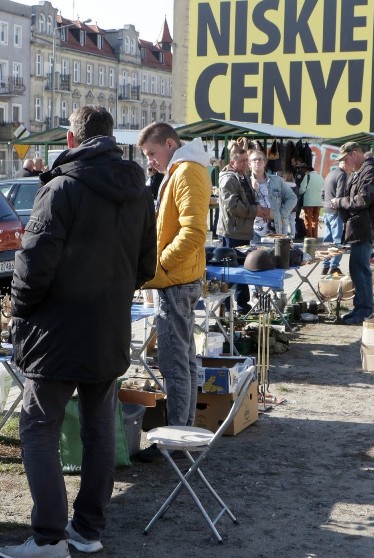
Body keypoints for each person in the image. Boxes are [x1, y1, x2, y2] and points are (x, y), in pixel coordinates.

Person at [0, 106, 156, 558]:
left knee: (39, 427)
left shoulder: (61, 189)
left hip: (57, 329)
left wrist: (20, 311)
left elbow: (32, 266)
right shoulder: (138, 192)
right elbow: (145, 264)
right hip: (106, 325)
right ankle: (87, 530)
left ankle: (49, 537)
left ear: (72, 139)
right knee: (100, 428)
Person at [134, 122, 211, 462]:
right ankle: (183, 434)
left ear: (169, 143)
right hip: (175, 279)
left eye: (152, 153)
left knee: (175, 361)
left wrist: (160, 265)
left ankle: (177, 440)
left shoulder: (186, 172)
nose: (150, 161)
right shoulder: (182, 170)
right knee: (182, 359)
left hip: (176, 281)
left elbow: (194, 232)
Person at [331, 142, 374, 325]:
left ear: (355, 153)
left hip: (364, 227)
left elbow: (362, 200)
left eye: (346, 158)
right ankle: (360, 308)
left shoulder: (370, 171)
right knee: (357, 269)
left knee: (360, 270)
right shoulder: (362, 171)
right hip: (359, 227)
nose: (346, 162)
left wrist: (340, 202)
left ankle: (365, 310)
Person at [217, 141, 264, 313]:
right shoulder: (229, 178)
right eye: (242, 161)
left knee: (242, 271)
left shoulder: (242, 176)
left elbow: (246, 201)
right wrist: (256, 211)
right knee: (230, 273)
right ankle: (226, 309)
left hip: (242, 231)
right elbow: (234, 206)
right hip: (232, 232)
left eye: (247, 160)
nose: (246, 164)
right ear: (232, 162)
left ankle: (242, 306)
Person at [250, 148, 295, 241]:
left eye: (260, 159)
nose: (257, 161)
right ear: (249, 163)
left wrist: (281, 214)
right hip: (252, 231)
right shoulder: (244, 181)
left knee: (275, 254)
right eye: (254, 159)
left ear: (265, 162)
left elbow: (292, 198)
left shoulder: (277, 180)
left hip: (275, 229)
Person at [321, 158, 348, 276]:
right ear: (345, 164)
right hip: (335, 211)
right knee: (338, 241)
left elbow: (322, 193)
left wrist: (325, 204)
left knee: (327, 240)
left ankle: (325, 266)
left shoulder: (330, 174)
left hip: (326, 209)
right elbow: (340, 195)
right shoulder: (342, 175)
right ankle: (334, 267)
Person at [298, 164, 324, 239]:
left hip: (309, 201)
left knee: (308, 220)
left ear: (307, 171)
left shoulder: (307, 176)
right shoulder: (320, 177)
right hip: (318, 202)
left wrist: (299, 193)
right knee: (315, 220)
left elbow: (302, 189)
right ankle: (315, 237)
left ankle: (309, 237)